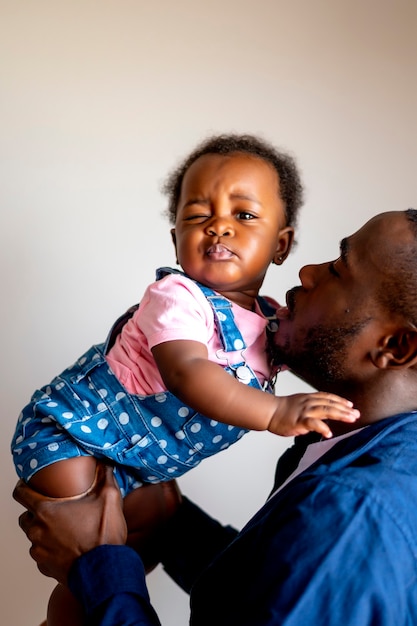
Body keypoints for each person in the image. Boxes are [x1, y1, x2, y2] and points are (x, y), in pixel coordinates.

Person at [14, 208, 417, 626]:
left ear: (396, 346)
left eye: (337, 269)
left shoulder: (356, 512)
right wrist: (172, 524)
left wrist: (98, 566)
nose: (308, 272)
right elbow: (264, 597)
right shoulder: (356, 453)